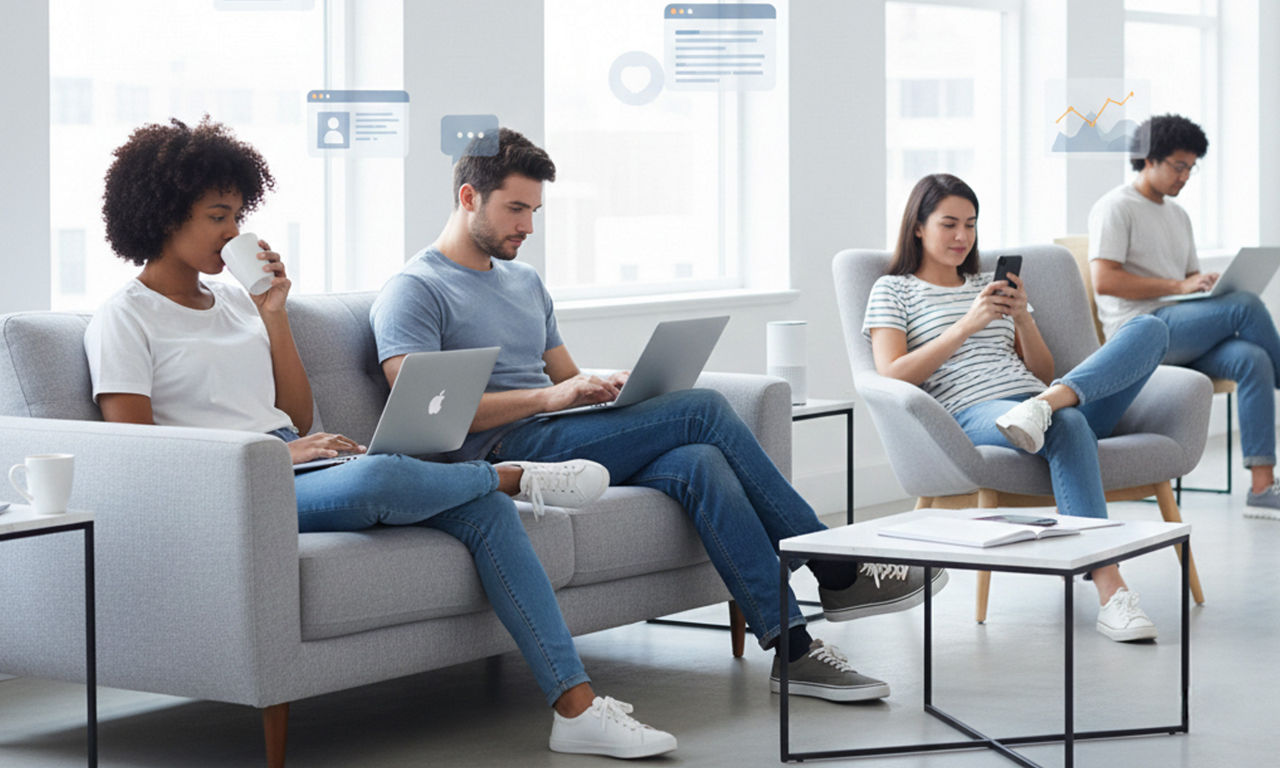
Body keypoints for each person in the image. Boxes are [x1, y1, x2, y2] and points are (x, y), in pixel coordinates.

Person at [84, 118, 677, 759]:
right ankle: (516, 477)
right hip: (230, 487)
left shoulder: (235, 304)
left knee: (467, 507)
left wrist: (274, 315)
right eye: (217, 217)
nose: (234, 233)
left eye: (238, 216)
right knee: (382, 474)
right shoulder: (124, 318)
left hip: (297, 461)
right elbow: (142, 458)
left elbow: (295, 411)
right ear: (162, 215)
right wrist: (277, 455)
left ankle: (576, 707)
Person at [372, 128, 948, 706]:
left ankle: (794, 650)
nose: (527, 226)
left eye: (534, 211)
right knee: (703, 410)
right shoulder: (417, 290)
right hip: (502, 458)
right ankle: (836, 567)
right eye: (515, 209)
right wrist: (552, 399)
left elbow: (561, 375)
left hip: (558, 435)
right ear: (469, 197)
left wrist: (605, 387)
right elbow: (427, 417)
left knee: (699, 462)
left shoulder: (524, 282)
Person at [865, 173, 1169, 643]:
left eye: (970, 224)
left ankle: (1047, 408)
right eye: (949, 224)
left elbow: (1042, 370)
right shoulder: (893, 290)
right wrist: (967, 324)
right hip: (977, 412)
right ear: (918, 227)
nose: (962, 237)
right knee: (1064, 422)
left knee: (1149, 329)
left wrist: (1023, 318)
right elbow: (892, 373)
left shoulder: (989, 283)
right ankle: (1112, 593)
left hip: (1040, 398)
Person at [1089, 113, 1280, 520]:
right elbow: (1104, 280)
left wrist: (1202, 283)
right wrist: (1178, 287)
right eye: (1179, 166)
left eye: (1191, 168)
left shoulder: (1178, 216)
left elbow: (1185, 278)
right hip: (1141, 332)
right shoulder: (1115, 207)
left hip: (1181, 329)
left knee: (1252, 359)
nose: (1186, 176)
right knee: (1245, 307)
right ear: (1149, 159)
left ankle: (1263, 489)